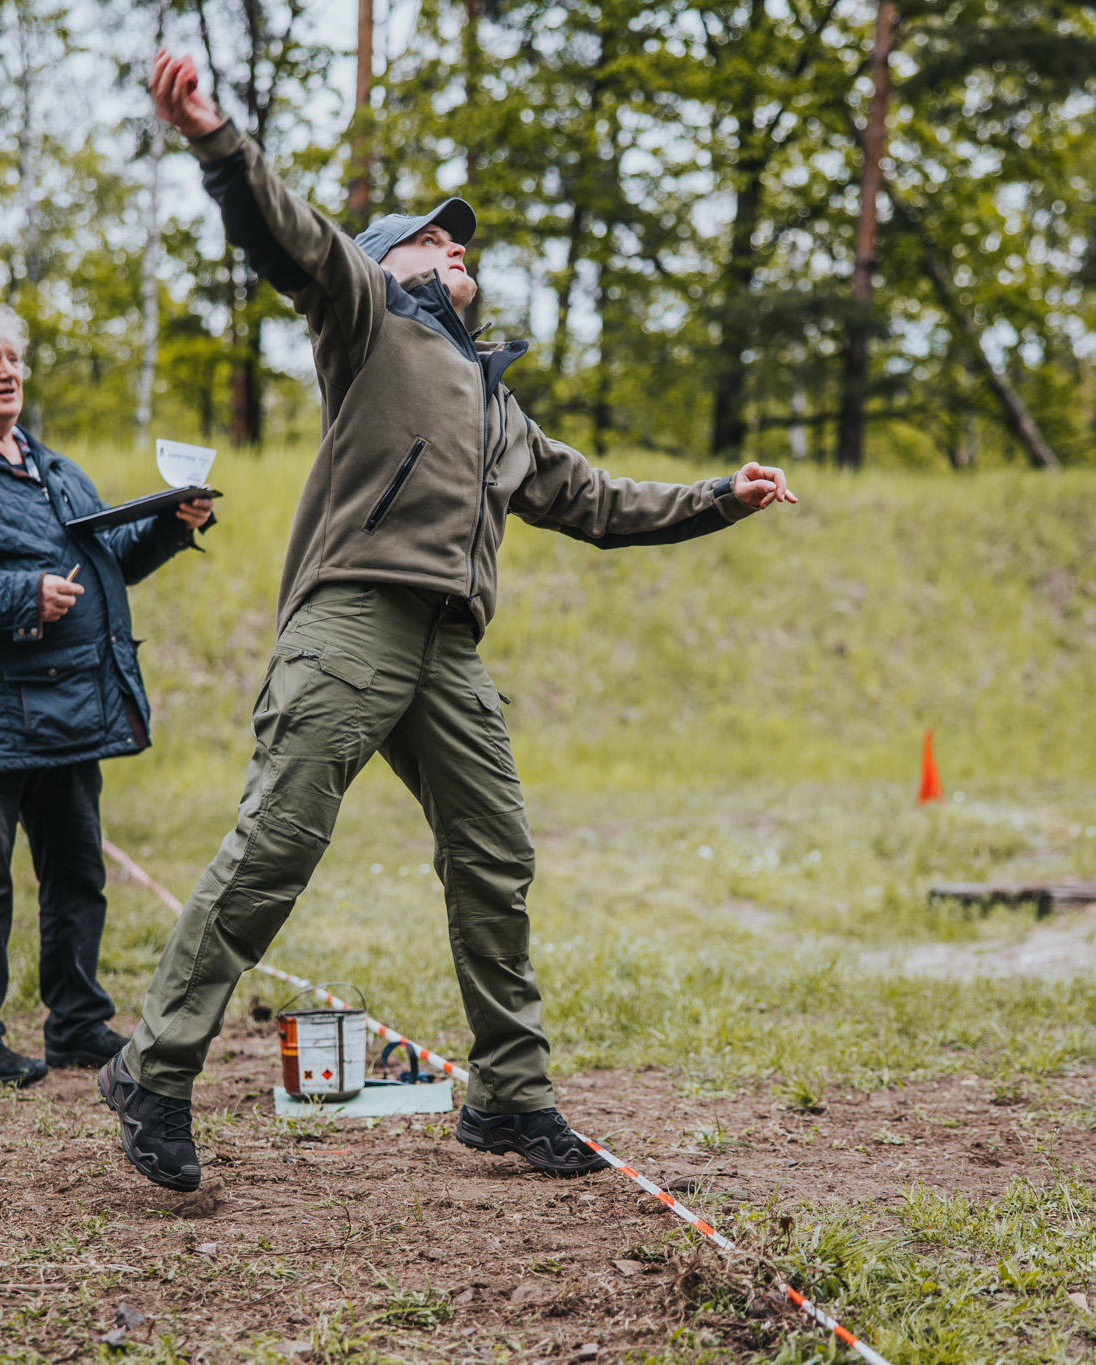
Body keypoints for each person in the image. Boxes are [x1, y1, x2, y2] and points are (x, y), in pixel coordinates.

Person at [95, 52, 801, 1192]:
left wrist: (720, 496)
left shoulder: (494, 402)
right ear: (385, 263)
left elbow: (597, 501)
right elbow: (290, 234)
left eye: (460, 242)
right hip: (351, 621)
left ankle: (509, 1097)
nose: (454, 247)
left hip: (448, 649)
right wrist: (218, 142)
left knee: (495, 854)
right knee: (278, 842)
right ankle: (153, 1070)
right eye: (430, 238)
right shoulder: (365, 315)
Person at [0, 299, 216, 1087]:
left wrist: (173, 523)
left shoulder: (51, 465)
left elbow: (107, 560)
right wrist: (19, 594)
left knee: (77, 875)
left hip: (69, 707)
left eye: (13, 359)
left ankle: (77, 1022)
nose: (9, 372)